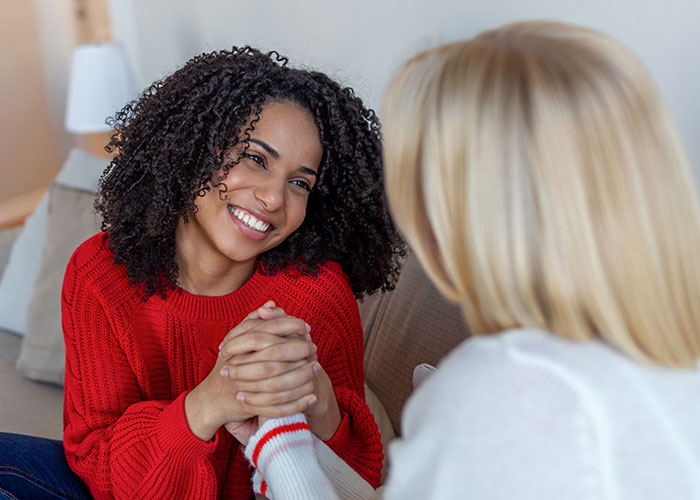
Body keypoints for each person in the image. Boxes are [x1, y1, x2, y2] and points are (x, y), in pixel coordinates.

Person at [232, 21, 700, 500]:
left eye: (425, 181)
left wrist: (279, 443)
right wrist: (283, 443)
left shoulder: (498, 390)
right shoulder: (666, 358)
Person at [0, 47, 404, 500]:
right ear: (193, 149)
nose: (274, 198)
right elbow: (97, 463)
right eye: (255, 158)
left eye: (299, 182)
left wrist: (319, 400)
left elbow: (356, 482)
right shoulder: (99, 274)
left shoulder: (319, 293)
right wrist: (208, 402)